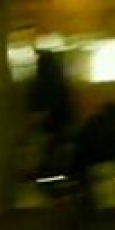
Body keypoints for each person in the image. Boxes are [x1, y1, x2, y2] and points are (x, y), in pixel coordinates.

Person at [27, 50, 76, 178]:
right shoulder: (60, 79)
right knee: (56, 152)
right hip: (61, 123)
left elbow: (44, 102)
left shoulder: (41, 81)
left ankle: (46, 173)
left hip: (50, 124)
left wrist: (38, 117)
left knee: (48, 152)